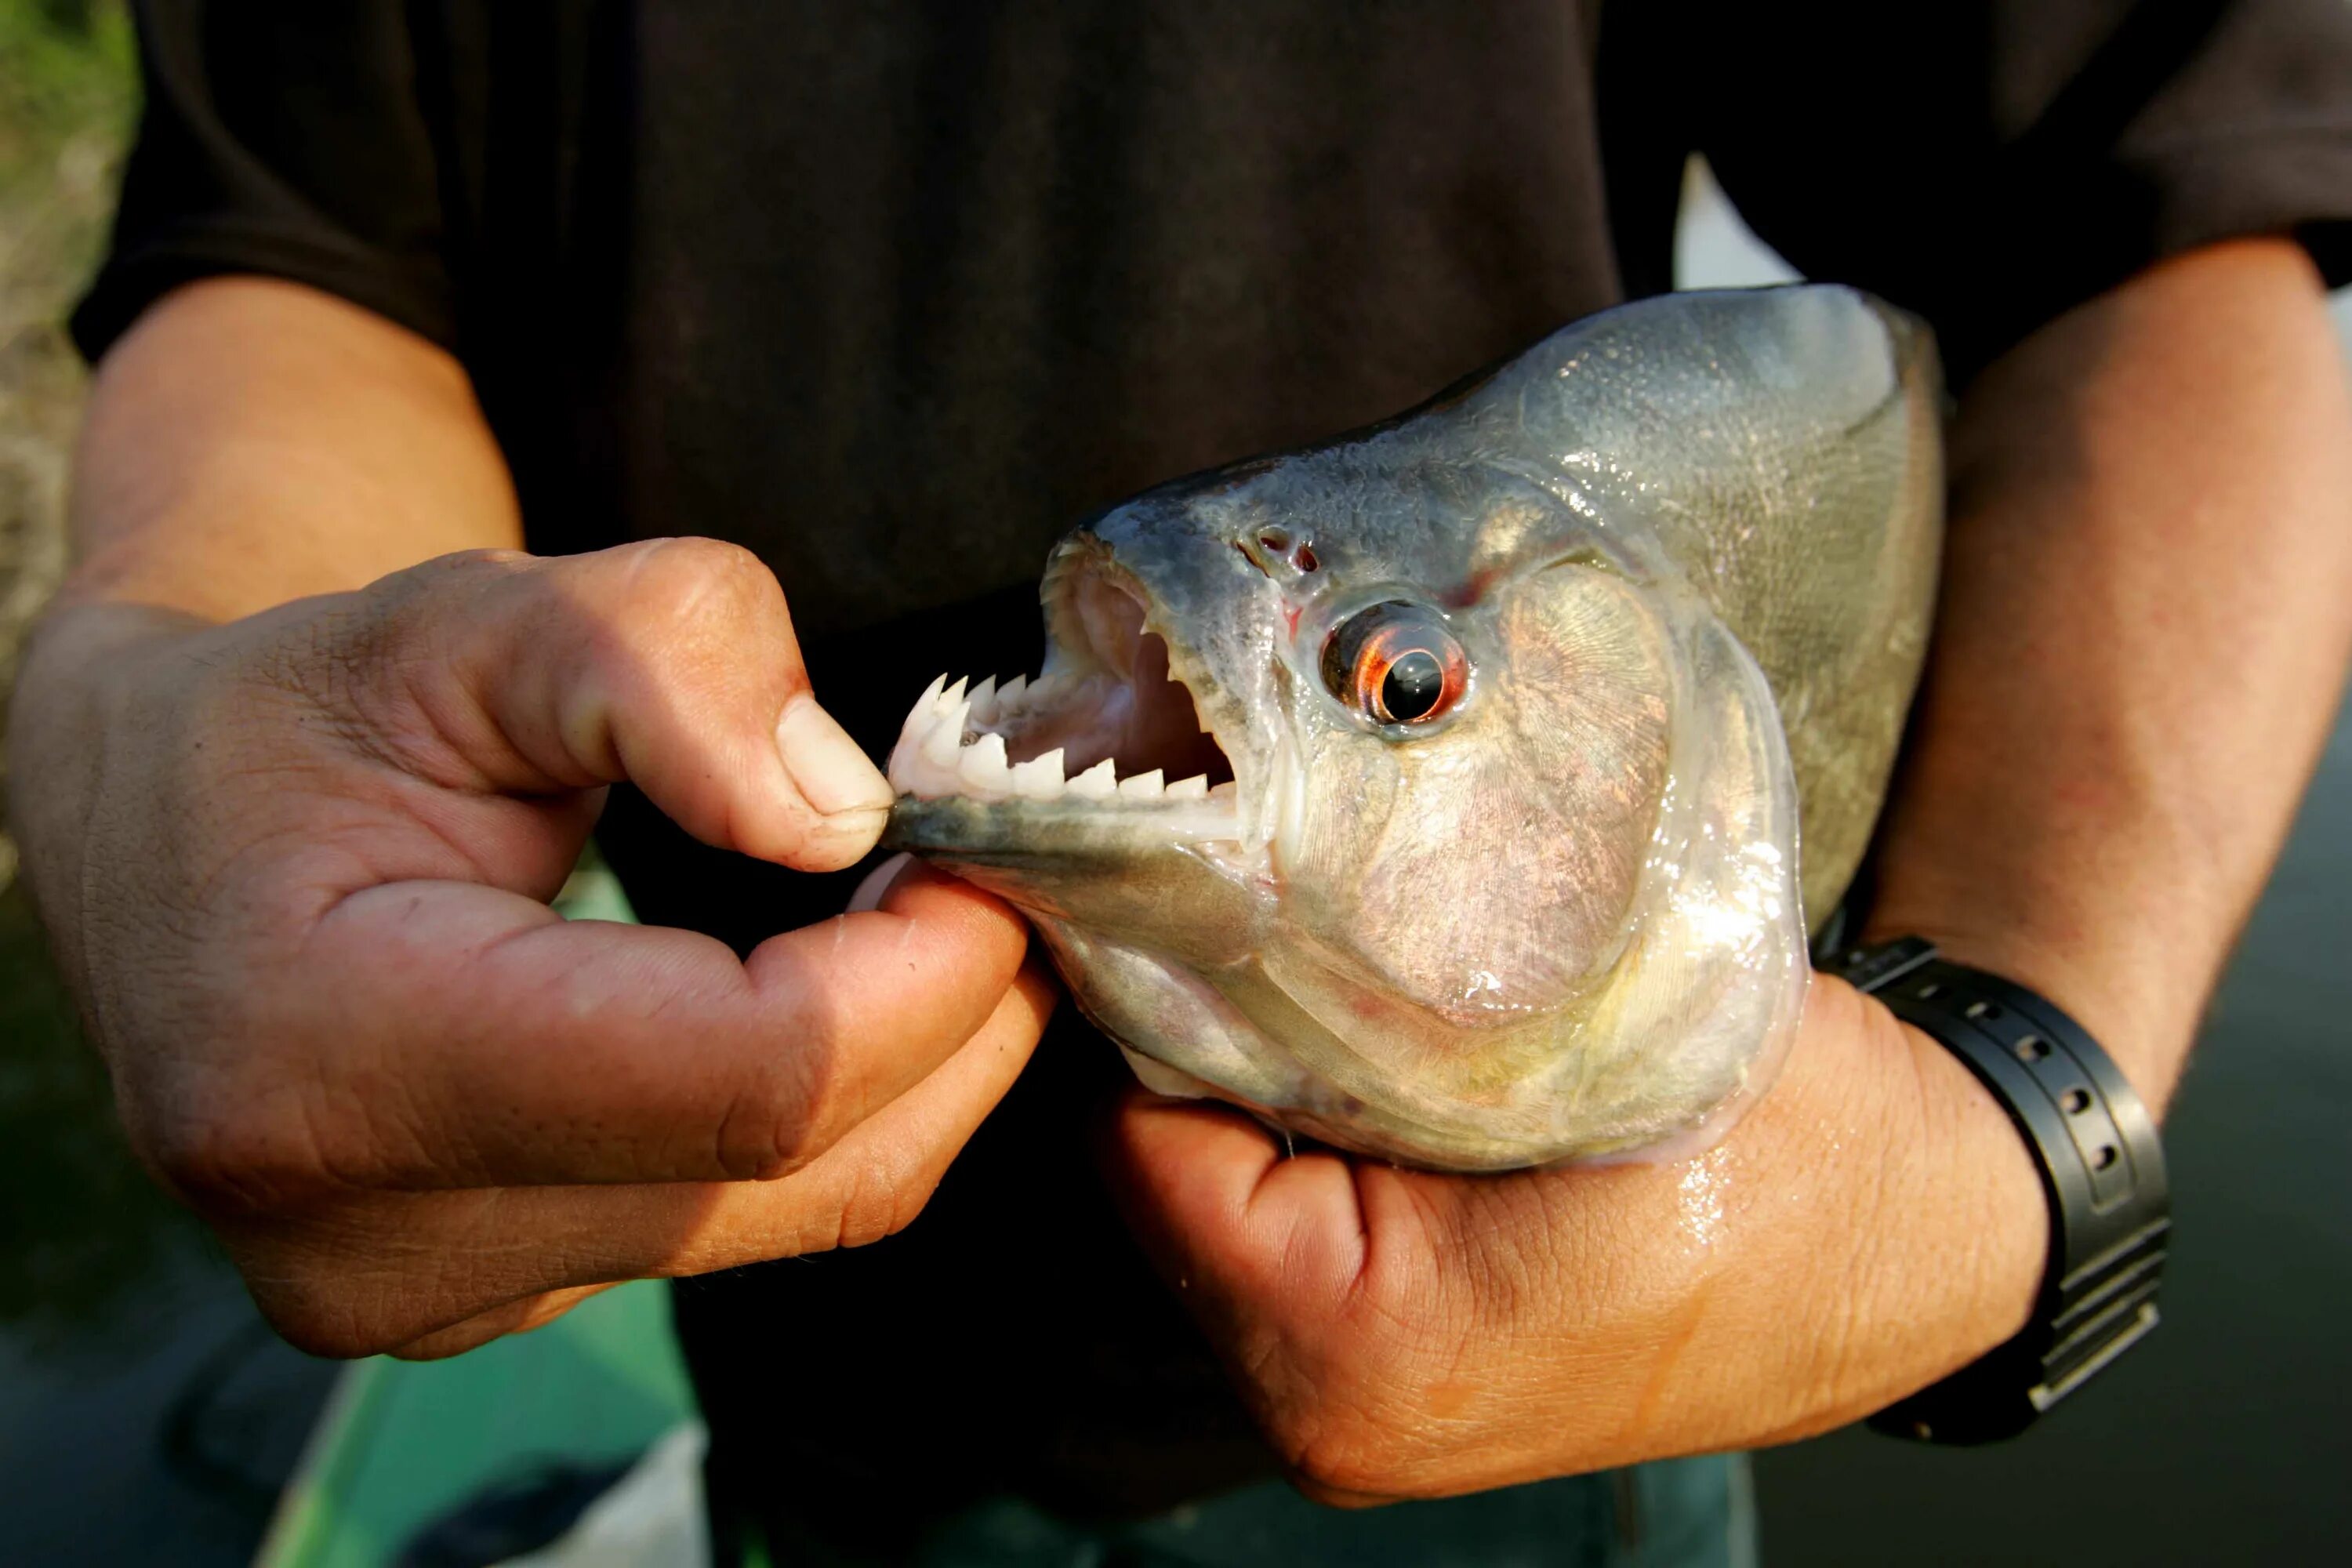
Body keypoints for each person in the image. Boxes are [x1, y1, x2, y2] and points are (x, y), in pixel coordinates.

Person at [10, 2, 2351, 1563]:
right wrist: (181, 696)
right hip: (818, 1405)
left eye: (1398, 682)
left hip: (1577, 1443)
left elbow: (2149, 187)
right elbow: (292, 245)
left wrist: (2024, 1129)